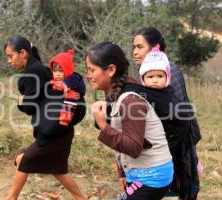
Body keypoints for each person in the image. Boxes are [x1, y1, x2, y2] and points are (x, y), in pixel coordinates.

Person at [86, 41, 173, 200]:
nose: (88, 75)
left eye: (92, 70)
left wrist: (103, 125)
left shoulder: (131, 100)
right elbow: (123, 134)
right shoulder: (119, 92)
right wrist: (122, 172)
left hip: (152, 177)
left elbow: (133, 147)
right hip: (143, 173)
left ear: (111, 70)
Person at [3, 35, 86, 200]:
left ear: (23, 53)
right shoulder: (41, 69)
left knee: (24, 161)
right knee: (57, 169)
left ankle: (10, 198)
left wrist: (21, 102)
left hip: (53, 132)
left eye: (10, 56)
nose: (9, 61)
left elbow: (30, 107)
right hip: (61, 129)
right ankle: (81, 198)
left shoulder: (33, 72)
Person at [133, 27, 201, 200]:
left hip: (177, 140)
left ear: (155, 47)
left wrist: (162, 147)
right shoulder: (145, 72)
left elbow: (178, 114)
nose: (135, 52)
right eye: (134, 47)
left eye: (140, 47)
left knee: (182, 184)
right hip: (162, 141)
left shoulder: (169, 70)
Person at [48, 49, 85, 126]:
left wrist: (64, 120)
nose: (57, 74)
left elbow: (70, 103)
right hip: (51, 115)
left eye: (61, 71)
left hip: (64, 119)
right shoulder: (54, 81)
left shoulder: (71, 85)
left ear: (67, 70)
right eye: (55, 71)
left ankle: (65, 119)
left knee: (70, 96)